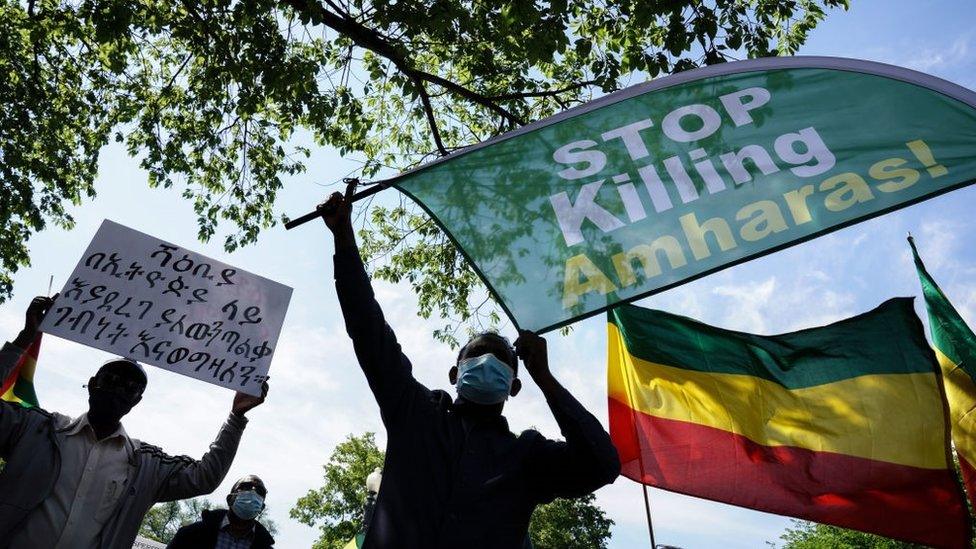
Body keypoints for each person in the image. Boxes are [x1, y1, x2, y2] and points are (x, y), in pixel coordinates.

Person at [319, 184, 621, 548]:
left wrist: (546, 378)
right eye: (476, 356)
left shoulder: (527, 456)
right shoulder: (415, 412)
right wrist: (343, 238)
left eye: (501, 361)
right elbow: (368, 329)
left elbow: (602, 465)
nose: (488, 363)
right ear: (455, 373)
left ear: (514, 386)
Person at [0, 295, 269, 549]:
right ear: (93, 385)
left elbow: (204, 477)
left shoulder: (146, 465)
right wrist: (25, 339)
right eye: (112, 380)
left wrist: (236, 416)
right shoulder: (37, 429)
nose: (119, 389)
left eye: (130, 387)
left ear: (136, 401)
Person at [167, 474, 275, 549]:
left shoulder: (264, 547)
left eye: (259, 491)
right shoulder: (190, 535)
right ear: (229, 499)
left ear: (261, 508)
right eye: (245, 487)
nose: (252, 492)